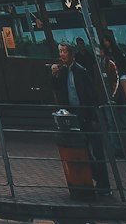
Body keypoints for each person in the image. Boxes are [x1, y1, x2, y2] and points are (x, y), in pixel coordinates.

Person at [51, 41, 110, 194]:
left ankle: (104, 185)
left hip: (87, 115)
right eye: (60, 51)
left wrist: (93, 115)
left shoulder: (81, 71)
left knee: (97, 151)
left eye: (64, 51)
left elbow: (91, 94)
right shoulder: (63, 71)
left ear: (71, 54)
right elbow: (57, 88)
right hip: (73, 115)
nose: (62, 54)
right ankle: (98, 180)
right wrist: (54, 75)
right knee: (83, 150)